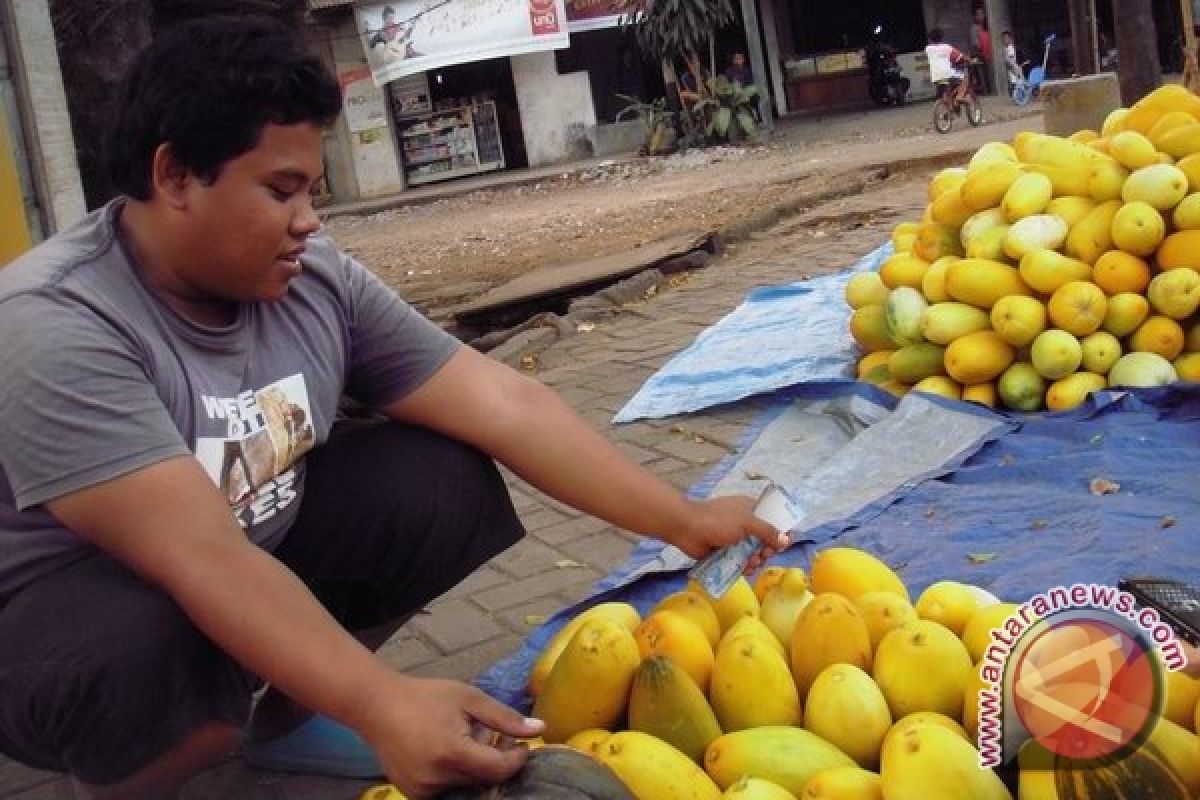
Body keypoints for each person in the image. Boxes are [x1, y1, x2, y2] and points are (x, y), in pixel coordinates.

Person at [0, 16, 786, 800]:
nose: (309, 220)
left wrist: (681, 521)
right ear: (173, 176)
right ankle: (130, 780)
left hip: (232, 553)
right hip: (64, 621)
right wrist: (381, 704)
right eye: (281, 190)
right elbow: (200, 556)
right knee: (156, 650)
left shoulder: (312, 277)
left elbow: (502, 401)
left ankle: (285, 724)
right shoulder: (56, 322)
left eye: (313, 190)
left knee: (436, 479)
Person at [926, 28, 970, 106]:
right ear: (942, 37)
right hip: (947, 73)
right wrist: (969, 59)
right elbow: (960, 56)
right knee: (964, 78)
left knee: (945, 89)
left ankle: (947, 110)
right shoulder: (947, 47)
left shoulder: (928, 49)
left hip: (935, 76)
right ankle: (959, 96)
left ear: (930, 39)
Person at [969, 5, 993, 94]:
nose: (982, 16)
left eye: (982, 14)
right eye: (979, 14)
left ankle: (988, 90)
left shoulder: (985, 27)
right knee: (981, 74)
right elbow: (976, 44)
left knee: (986, 74)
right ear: (975, 17)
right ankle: (985, 91)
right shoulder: (974, 28)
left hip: (985, 54)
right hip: (978, 54)